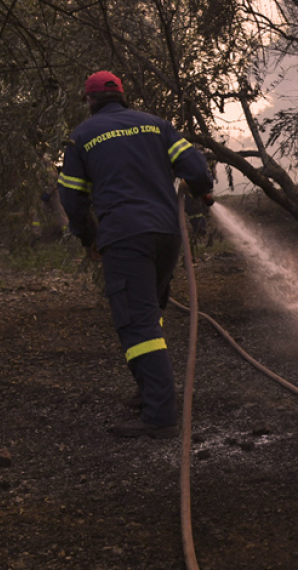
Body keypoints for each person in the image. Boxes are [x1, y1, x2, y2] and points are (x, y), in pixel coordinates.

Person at [57, 71, 214, 439]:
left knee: (136, 322)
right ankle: (149, 389)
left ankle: (159, 416)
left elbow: (72, 198)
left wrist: (88, 237)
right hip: (166, 234)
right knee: (149, 314)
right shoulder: (156, 125)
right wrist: (204, 191)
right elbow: (195, 168)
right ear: (122, 96)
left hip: (125, 238)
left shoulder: (80, 138)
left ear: (89, 101)